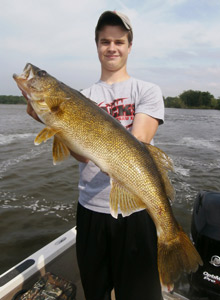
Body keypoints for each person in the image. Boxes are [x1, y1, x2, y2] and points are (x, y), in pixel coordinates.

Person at [25, 11, 164, 300]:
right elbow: (83, 157)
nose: (111, 47)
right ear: (97, 45)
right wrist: (52, 121)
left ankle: (172, 239)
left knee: (139, 294)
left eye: (119, 41)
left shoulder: (147, 91)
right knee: (95, 292)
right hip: (91, 210)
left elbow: (138, 143)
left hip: (136, 213)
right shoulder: (80, 95)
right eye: (104, 41)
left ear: (129, 45)